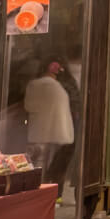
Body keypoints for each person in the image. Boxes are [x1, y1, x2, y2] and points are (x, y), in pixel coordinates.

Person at [23, 59, 76, 188]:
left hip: (38, 132)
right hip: (59, 134)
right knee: (50, 165)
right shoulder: (61, 88)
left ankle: (35, 190)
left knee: (37, 163)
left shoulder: (34, 85)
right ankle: (46, 190)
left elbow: (28, 106)